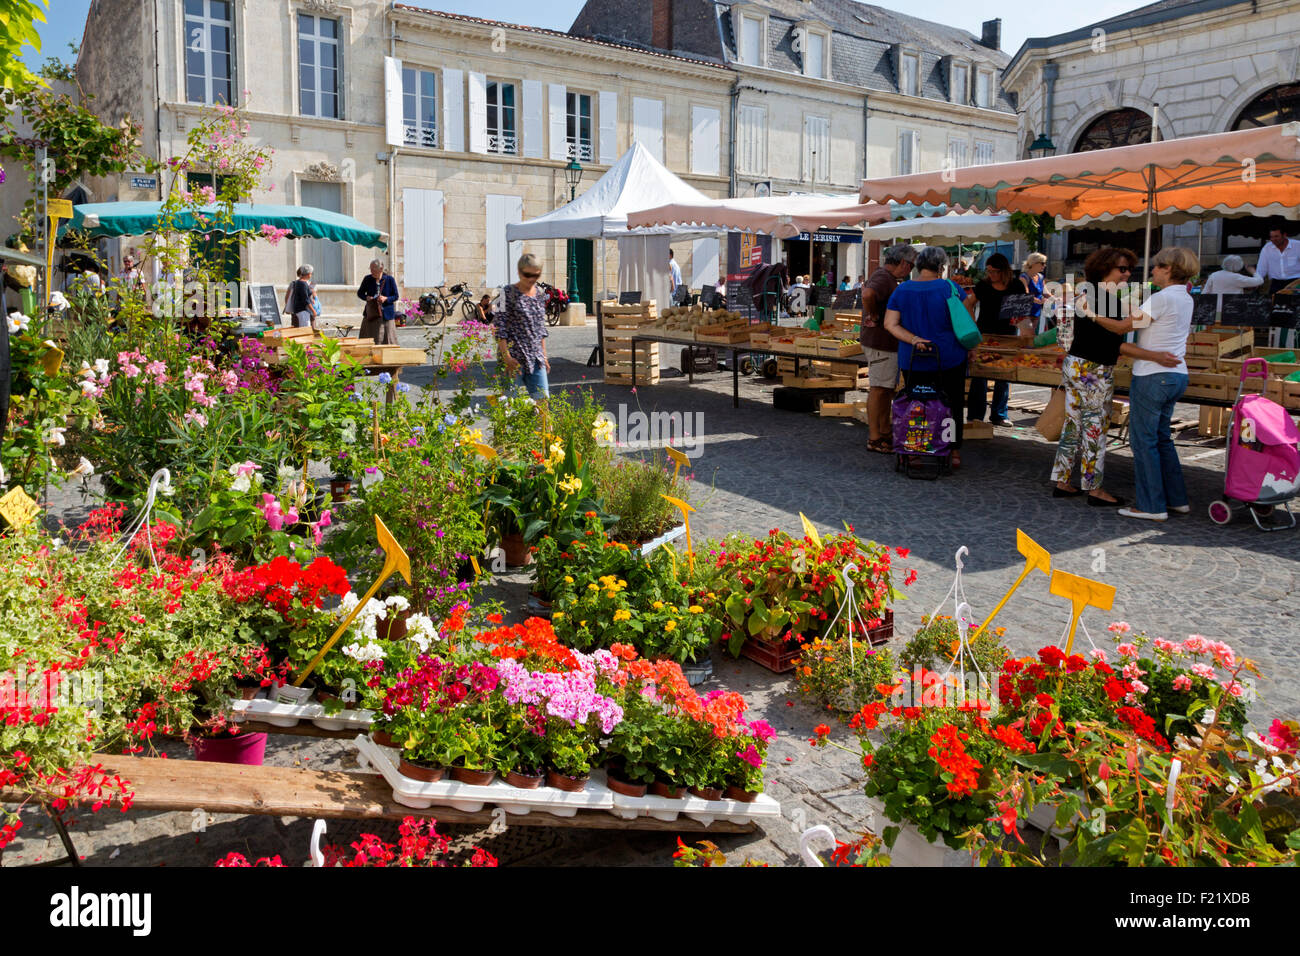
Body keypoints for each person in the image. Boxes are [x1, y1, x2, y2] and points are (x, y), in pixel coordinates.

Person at [1118, 246, 1201, 521]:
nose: (1151, 270)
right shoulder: (1185, 298)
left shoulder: (1162, 297)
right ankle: (1177, 500)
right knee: (1162, 439)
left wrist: (1091, 314)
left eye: (1156, 266)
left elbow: (1125, 327)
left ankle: (1150, 505)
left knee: (1144, 442)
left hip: (1153, 375)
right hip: (1177, 374)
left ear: (1168, 269)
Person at [1050, 246, 1136, 507]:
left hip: (1075, 364)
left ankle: (1063, 481)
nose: (1127, 274)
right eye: (1122, 269)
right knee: (1095, 429)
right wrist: (1153, 355)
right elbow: (1114, 343)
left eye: (1129, 269)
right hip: (1094, 370)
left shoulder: (1083, 292)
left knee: (1073, 425)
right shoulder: (1108, 300)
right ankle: (1094, 489)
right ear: (1104, 269)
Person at [883, 245, 975, 469]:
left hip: (913, 358)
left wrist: (914, 339)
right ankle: (952, 451)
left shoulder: (901, 290)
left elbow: (890, 324)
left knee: (916, 405)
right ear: (941, 266)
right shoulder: (950, 288)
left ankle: (914, 451)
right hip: (949, 357)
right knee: (951, 405)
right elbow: (966, 322)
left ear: (919, 265)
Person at [860, 243, 918, 454]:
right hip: (880, 344)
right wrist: (873, 315)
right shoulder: (884, 277)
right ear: (903, 262)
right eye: (910, 265)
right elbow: (867, 295)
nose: (910, 270)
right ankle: (874, 438)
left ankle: (884, 432)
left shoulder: (887, 277)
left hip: (883, 344)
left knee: (885, 390)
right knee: (879, 389)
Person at [967, 253, 1017, 426]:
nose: (991, 275)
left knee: (1004, 375)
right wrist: (972, 324)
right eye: (988, 271)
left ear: (1004, 271)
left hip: (1008, 335)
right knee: (980, 375)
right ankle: (975, 415)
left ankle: (999, 414)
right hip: (984, 334)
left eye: (995, 271)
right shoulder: (983, 285)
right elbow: (968, 303)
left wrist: (1021, 321)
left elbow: (1021, 307)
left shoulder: (1015, 284)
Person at [496, 252, 550, 400]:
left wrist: (544, 356)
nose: (532, 279)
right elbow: (499, 327)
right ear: (519, 272)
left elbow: (541, 329)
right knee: (508, 405)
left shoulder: (540, 295)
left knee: (543, 402)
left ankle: (545, 425)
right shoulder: (505, 293)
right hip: (513, 358)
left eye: (536, 276)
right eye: (527, 275)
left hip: (536, 358)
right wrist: (506, 356)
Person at [358, 258, 400, 344]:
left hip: (386, 315)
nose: (371, 271)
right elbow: (360, 293)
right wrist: (367, 298)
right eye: (370, 268)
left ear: (381, 269)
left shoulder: (389, 279)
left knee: (388, 339)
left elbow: (396, 296)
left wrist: (386, 299)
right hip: (371, 314)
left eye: (373, 269)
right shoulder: (367, 279)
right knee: (369, 339)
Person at [1257, 220, 1300, 296]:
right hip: (1276, 284)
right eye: (1271, 237)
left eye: (1276, 236)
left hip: (1295, 283)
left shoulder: (1297, 246)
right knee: (1274, 306)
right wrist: (1256, 282)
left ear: (1284, 235)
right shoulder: (1267, 248)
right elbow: (1261, 269)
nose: (1273, 239)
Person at [283, 264, 317, 328]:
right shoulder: (303, 283)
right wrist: (313, 310)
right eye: (311, 273)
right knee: (305, 330)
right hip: (303, 311)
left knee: (298, 329)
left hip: (297, 311)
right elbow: (305, 299)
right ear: (308, 274)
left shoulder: (295, 283)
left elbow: (287, 297)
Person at [1020, 252, 1047, 331]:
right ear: (1034, 263)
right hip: (1025, 313)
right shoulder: (1024, 277)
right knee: (1027, 335)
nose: (1044, 265)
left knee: (1032, 336)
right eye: (1042, 263)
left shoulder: (1041, 277)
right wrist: (1038, 301)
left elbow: (1045, 292)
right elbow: (1026, 294)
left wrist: (1056, 299)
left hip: (1036, 311)